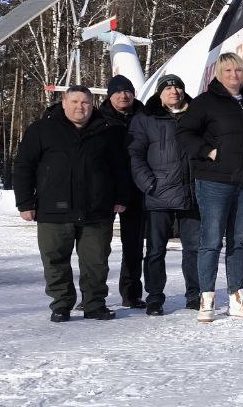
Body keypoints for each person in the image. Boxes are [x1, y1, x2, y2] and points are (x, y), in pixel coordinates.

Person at [14, 85, 129, 322]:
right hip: (53, 210)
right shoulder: (42, 129)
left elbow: (121, 167)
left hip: (96, 210)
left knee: (96, 261)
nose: (80, 107)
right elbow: (24, 165)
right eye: (75, 102)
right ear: (64, 102)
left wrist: (121, 197)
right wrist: (25, 202)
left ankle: (94, 304)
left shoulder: (108, 131)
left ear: (92, 104)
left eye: (85, 102)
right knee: (55, 260)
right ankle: (61, 304)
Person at [177, 52, 243, 323]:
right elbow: (183, 133)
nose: (234, 75)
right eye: (228, 71)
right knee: (211, 241)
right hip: (215, 181)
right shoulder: (205, 103)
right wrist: (207, 151)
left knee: (238, 241)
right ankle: (206, 300)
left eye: (238, 70)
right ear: (219, 73)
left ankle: (237, 299)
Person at [128, 74, 200, 316]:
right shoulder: (145, 119)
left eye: (178, 87)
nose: (174, 92)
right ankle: (155, 297)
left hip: (192, 195)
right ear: (160, 94)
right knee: (156, 250)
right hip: (159, 195)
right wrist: (149, 184)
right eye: (168, 89)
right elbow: (135, 155)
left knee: (194, 249)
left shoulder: (197, 115)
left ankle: (195, 295)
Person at [99, 74, 146, 309]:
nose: (123, 95)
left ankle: (131, 293)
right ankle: (94, 293)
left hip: (136, 189)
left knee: (134, 246)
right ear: (110, 95)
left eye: (127, 91)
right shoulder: (98, 119)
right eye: (118, 92)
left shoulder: (144, 117)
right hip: (106, 190)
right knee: (97, 246)